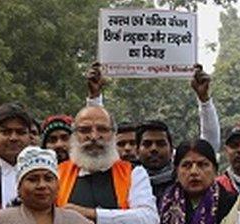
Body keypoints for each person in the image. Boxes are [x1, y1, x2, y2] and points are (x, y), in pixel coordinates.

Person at [86, 62, 220, 197]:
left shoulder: (184, 180)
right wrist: (94, 96)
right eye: (147, 144)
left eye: (161, 143)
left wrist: (204, 99)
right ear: (137, 150)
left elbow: (209, 147)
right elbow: (96, 144)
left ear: (171, 148)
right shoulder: (124, 179)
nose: (154, 149)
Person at [0, 102, 34, 208]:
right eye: (6, 132)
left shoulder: (43, 177)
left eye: (20, 132)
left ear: (30, 138)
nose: (13, 138)